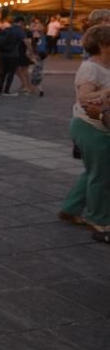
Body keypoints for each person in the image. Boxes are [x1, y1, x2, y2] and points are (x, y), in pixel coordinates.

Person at [60, 25, 110, 238]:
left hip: (98, 125)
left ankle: (70, 209)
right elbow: (84, 97)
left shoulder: (104, 67)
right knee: (102, 175)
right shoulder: (91, 68)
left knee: (93, 172)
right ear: (102, 44)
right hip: (90, 126)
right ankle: (97, 219)